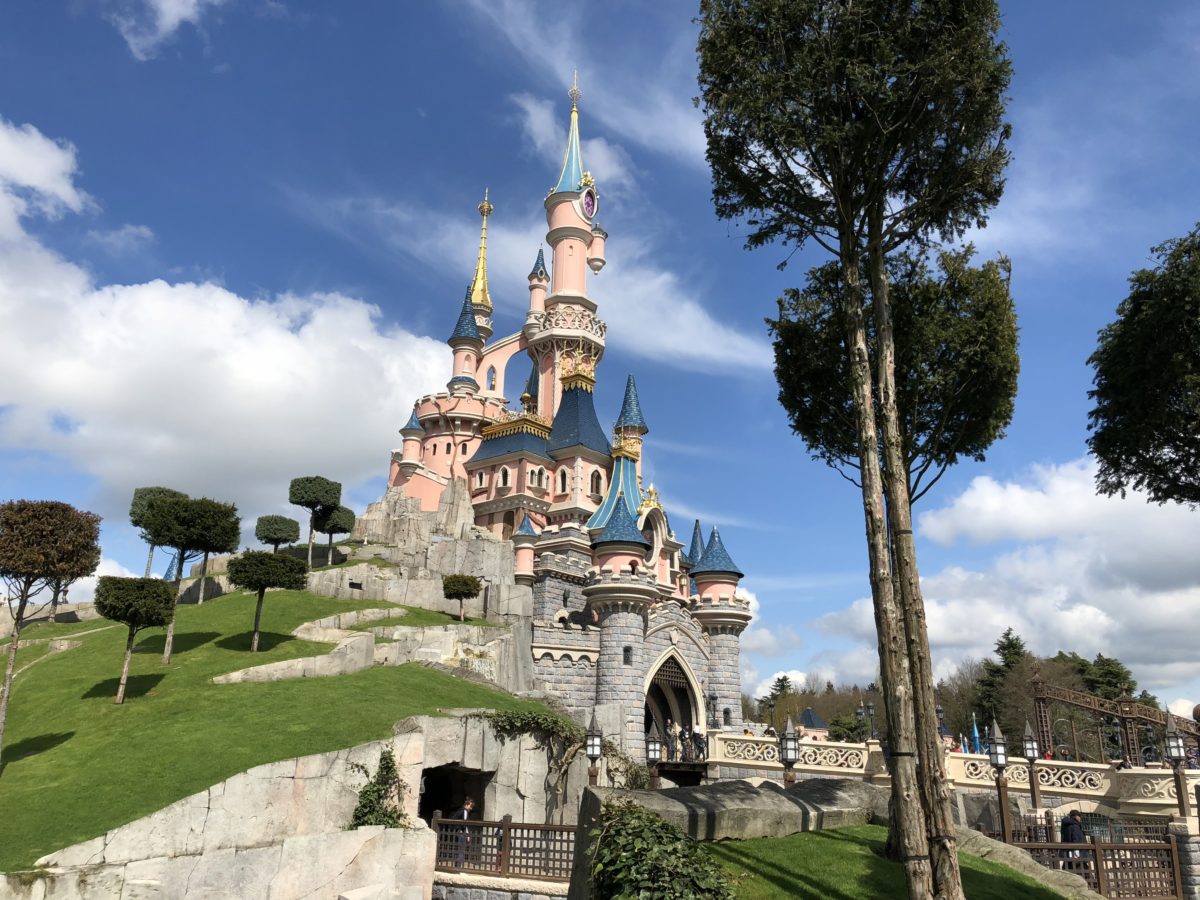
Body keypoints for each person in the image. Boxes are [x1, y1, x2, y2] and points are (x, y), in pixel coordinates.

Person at [450, 796, 476, 867]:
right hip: (462, 833)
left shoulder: (459, 810)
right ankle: (458, 866)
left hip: (458, 832)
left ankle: (457, 865)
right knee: (461, 849)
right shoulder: (464, 811)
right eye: (470, 806)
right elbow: (465, 824)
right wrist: (467, 834)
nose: (471, 808)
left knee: (459, 849)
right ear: (467, 804)